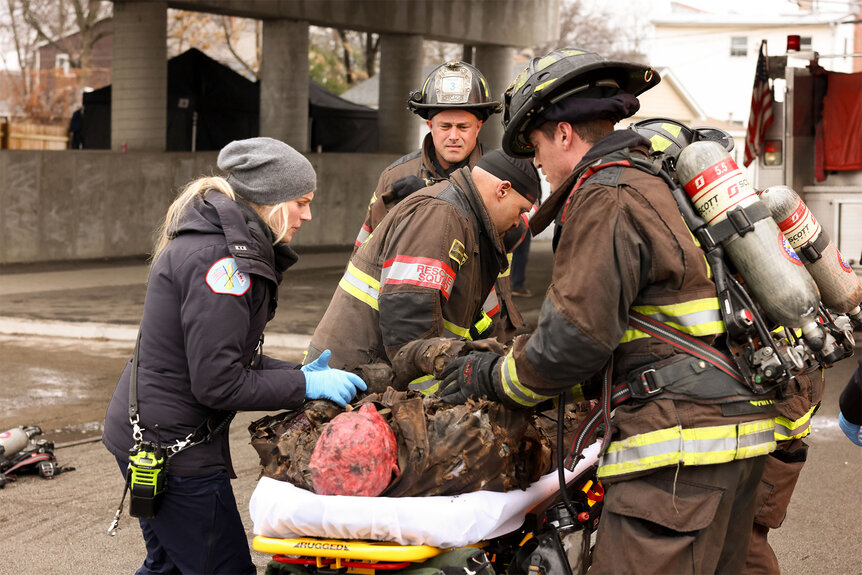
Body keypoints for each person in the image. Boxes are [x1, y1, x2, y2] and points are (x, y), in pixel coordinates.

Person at [436, 48, 794, 574]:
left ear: (562, 134)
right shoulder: (656, 182)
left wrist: (485, 375)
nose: (533, 161)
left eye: (534, 143)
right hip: (733, 442)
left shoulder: (607, 194)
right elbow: (639, 329)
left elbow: (572, 342)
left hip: (678, 455)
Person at [102, 137, 366, 575]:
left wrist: (299, 373)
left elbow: (223, 359)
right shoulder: (222, 264)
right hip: (173, 448)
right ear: (270, 199)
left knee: (168, 565)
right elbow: (218, 383)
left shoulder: (220, 244)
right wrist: (305, 386)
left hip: (154, 433)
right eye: (301, 202)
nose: (308, 214)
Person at [306, 148, 539, 387]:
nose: (516, 222)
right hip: (349, 375)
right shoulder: (443, 214)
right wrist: (435, 393)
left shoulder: (464, 218)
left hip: (368, 370)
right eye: (521, 210)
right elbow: (409, 316)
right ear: (503, 190)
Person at [353, 60, 527, 344]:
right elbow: (365, 250)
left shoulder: (501, 174)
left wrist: (430, 195)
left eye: (463, 126)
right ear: (429, 124)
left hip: (484, 327)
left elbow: (518, 229)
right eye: (445, 126)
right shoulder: (395, 176)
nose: (454, 136)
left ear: (479, 126)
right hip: (409, 321)